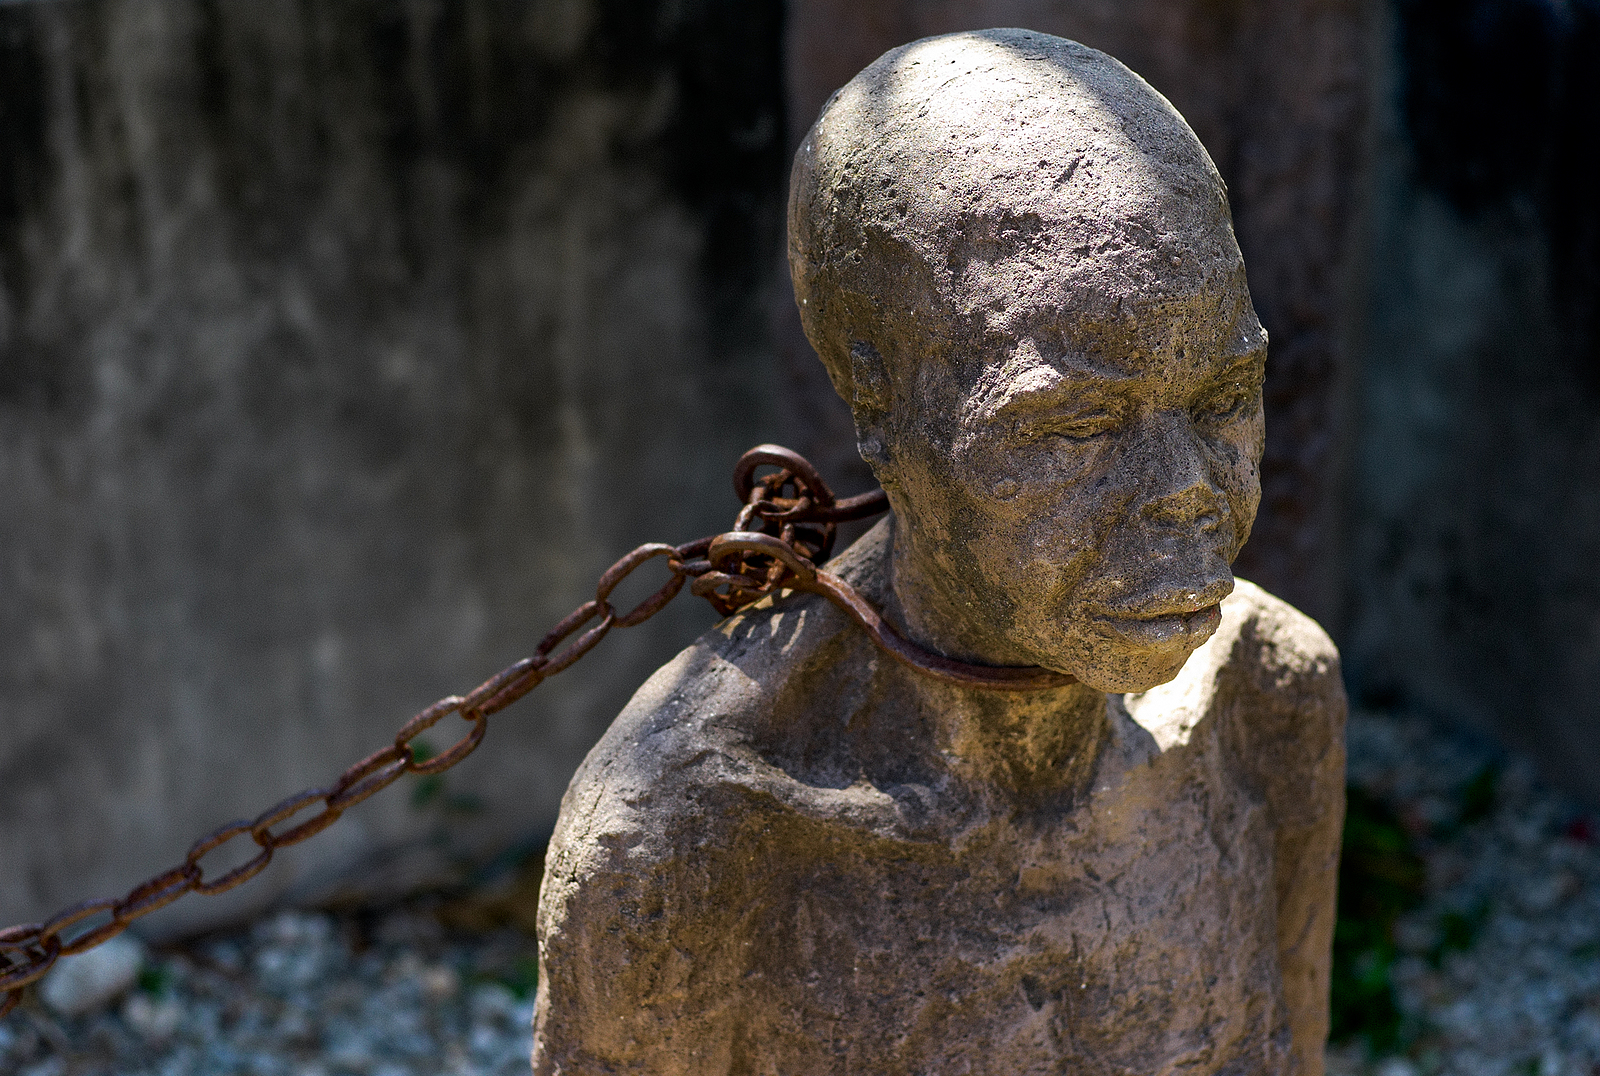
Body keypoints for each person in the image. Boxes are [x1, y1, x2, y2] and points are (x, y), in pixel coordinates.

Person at [532, 28, 1345, 1076]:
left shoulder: (1266, 701)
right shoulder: (697, 828)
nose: (1186, 486)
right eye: (1073, 425)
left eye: (1224, 396)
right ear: (884, 411)